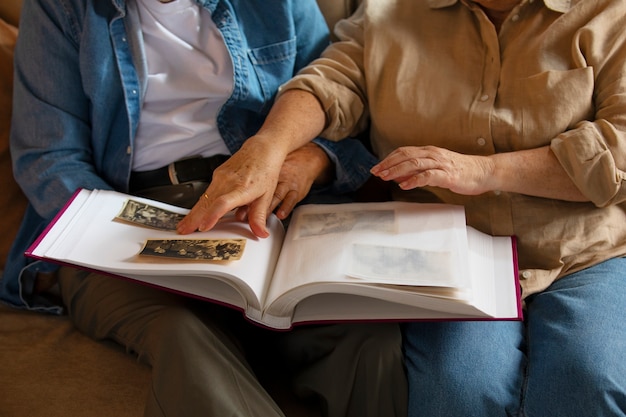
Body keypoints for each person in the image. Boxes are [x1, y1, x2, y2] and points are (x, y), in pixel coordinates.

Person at [179, 0, 626, 416]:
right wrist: (270, 144)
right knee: (457, 390)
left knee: (589, 377)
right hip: (446, 255)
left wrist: (485, 171)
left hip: (585, 251)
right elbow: (331, 83)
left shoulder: (611, 14)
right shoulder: (389, 11)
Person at [2, 0, 408, 416]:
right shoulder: (59, 8)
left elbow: (337, 104)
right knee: (181, 333)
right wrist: (128, 229)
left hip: (272, 208)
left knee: (367, 338)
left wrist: (314, 159)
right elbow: (48, 158)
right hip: (125, 215)